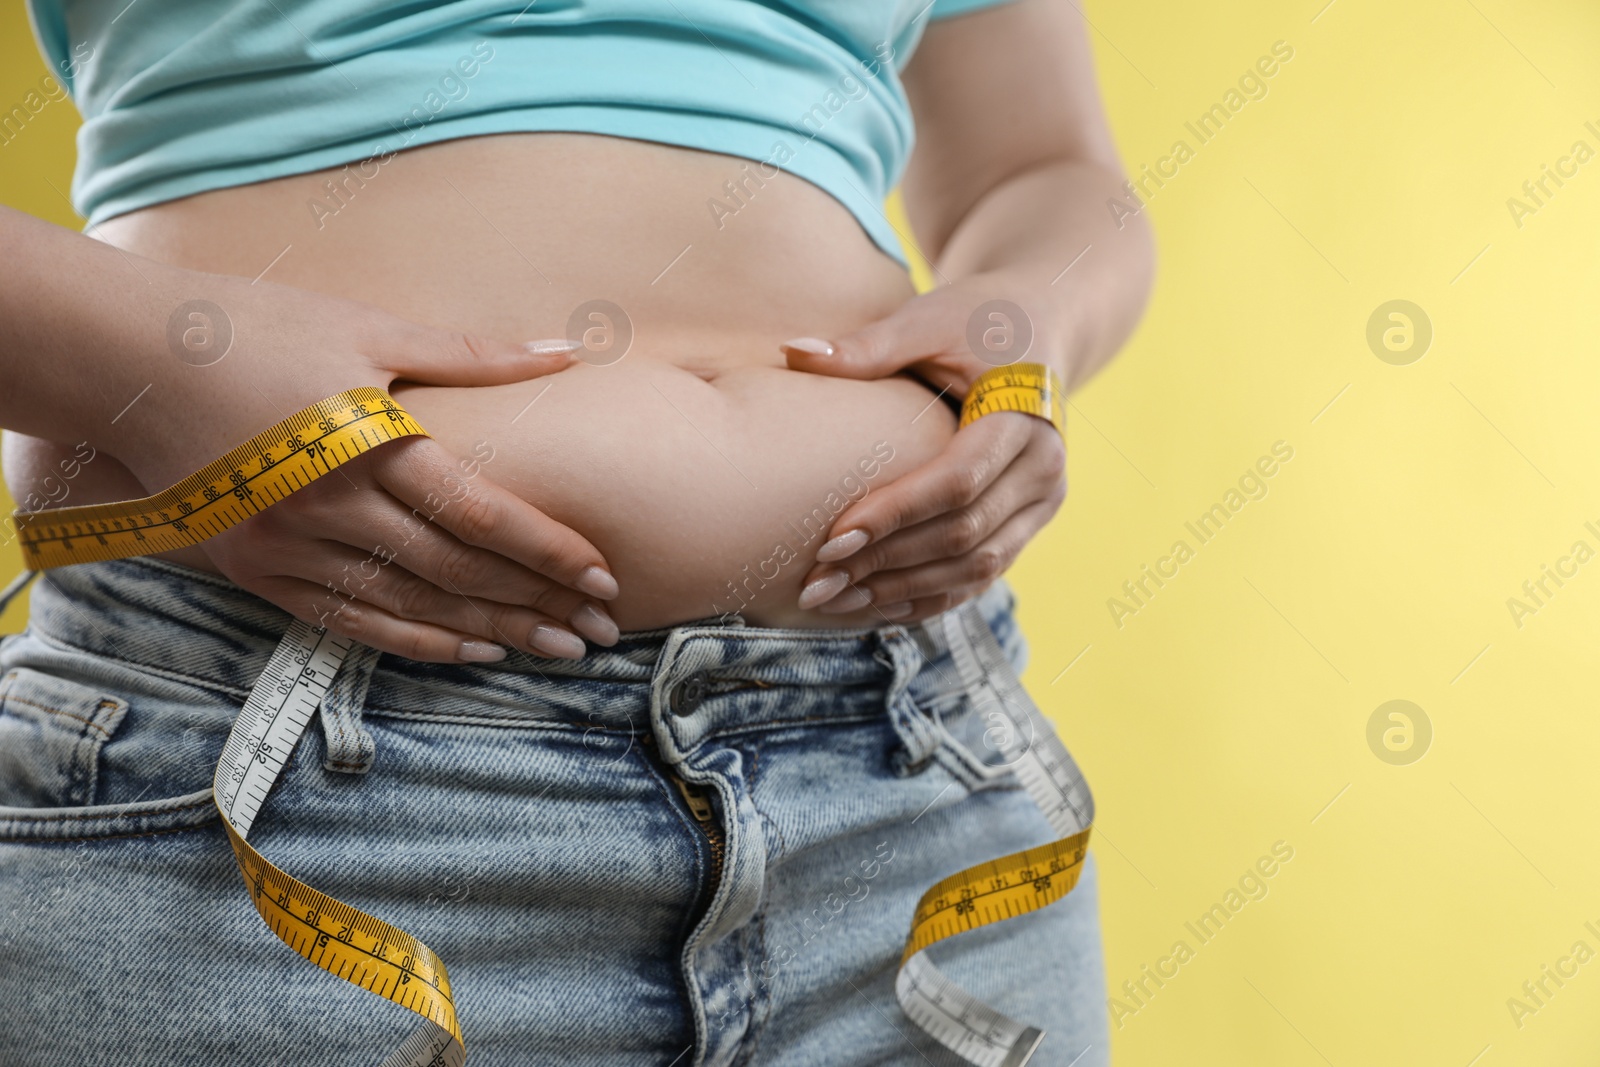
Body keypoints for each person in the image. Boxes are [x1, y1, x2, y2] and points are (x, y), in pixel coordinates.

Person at [0, 1, 1153, 1064]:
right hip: (278, 763)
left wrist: (1028, 322)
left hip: (905, 771)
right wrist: (160, 358)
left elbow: (1045, 167)